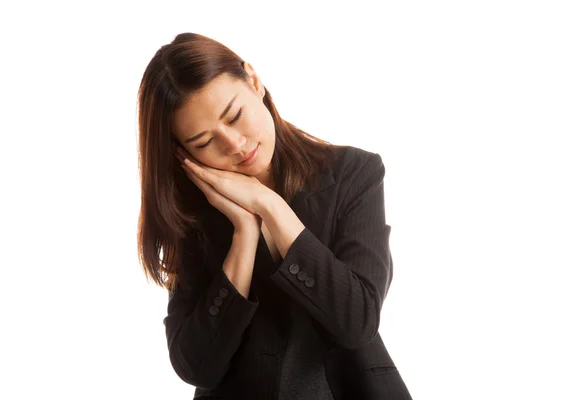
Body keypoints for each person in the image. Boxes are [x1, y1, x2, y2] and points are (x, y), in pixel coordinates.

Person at [136, 32, 412, 399]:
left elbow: (357, 320)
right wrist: (244, 237)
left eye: (235, 116)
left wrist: (271, 207)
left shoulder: (353, 173)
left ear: (253, 80)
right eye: (204, 142)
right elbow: (196, 366)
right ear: (182, 153)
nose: (234, 144)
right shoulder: (190, 216)